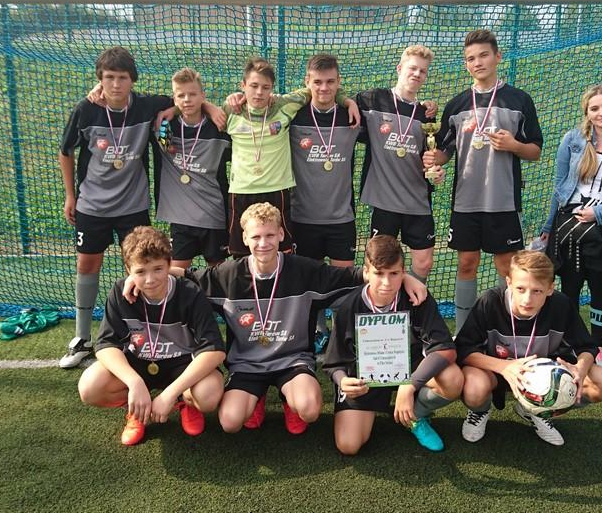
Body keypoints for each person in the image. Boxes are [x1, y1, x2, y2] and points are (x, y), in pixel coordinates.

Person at [122, 203, 427, 436]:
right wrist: (136, 279)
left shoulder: (304, 270)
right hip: (247, 365)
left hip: (292, 362)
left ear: (281, 235)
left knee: (309, 409)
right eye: (256, 236)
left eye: (270, 235)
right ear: (244, 238)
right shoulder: (227, 275)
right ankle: (254, 398)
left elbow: (356, 275)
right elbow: (186, 276)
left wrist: (406, 278)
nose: (263, 243)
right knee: (229, 422)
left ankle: (287, 399)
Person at [58, 47, 175, 369]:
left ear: (132, 80)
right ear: (100, 79)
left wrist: (172, 111)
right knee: (87, 264)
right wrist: (70, 195)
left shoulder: (146, 106)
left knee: (140, 269)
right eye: (109, 77)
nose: (115, 84)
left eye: (122, 77)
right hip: (92, 204)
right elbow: (65, 151)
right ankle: (82, 338)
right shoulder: (86, 109)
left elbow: (183, 99)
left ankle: (140, 336)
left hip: (133, 206)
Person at [425, 29, 543, 333]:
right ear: (466, 64)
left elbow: (535, 151)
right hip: (466, 201)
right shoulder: (456, 105)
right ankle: (463, 333)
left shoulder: (519, 100)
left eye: (483, 55)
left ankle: (509, 329)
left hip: (502, 201)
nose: (477, 62)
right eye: (470, 58)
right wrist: (434, 158)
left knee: (507, 267)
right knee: (466, 264)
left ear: (497, 57)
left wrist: (513, 145)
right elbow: (444, 150)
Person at [77, 226, 226, 445]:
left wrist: (170, 393)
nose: (150, 279)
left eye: (158, 269)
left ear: (169, 264)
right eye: (140, 272)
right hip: (139, 363)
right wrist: (134, 382)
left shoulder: (189, 292)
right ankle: (138, 409)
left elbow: (214, 350)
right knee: (90, 387)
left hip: (182, 365)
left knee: (209, 394)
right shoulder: (120, 292)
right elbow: (106, 344)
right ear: (128, 269)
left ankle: (184, 402)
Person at [456, 250, 602, 447]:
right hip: (495, 371)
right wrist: (505, 367)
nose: (527, 299)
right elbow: (463, 349)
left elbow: (587, 347)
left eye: (537, 291)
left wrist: (580, 369)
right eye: (521, 289)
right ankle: (480, 411)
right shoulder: (490, 302)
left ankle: (538, 410)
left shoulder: (560, 305)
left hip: (544, 377)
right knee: (474, 388)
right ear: (509, 283)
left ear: (550, 288)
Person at [322, 235, 463, 454]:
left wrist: (409, 385)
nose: (387, 283)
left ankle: (416, 416)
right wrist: (343, 381)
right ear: (366, 272)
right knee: (348, 445)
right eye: (379, 273)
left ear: (403, 272)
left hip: (410, 368)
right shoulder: (350, 306)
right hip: (365, 376)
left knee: (453, 379)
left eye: (394, 274)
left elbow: (445, 349)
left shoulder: (417, 298)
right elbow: (334, 362)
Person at [539, 84, 602, 347]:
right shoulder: (572, 139)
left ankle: (595, 348)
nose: (601, 113)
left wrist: (599, 213)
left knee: (601, 288)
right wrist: (549, 226)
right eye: (594, 108)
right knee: (570, 288)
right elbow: (560, 186)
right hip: (570, 227)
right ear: (587, 112)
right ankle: (570, 345)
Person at [223, 56, 359, 258]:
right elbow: (201, 112)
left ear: (272, 88)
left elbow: (320, 90)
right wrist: (220, 103)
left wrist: (346, 100)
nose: (259, 92)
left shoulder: (285, 105)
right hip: (240, 192)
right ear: (243, 85)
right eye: (253, 86)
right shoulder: (229, 111)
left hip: (278, 190)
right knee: (241, 256)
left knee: (282, 255)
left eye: (265, 87)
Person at [288, 54, 361, 352]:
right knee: (310, 282)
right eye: (317, 82)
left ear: (338, 82)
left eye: (330, 82)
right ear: (307, 82)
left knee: (344, 282)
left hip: (341, 217)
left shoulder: (352, 116)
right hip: (303, 217)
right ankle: (318, 332)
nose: (324, 88)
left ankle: (341, 341)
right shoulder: (293, 116)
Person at [356, 45, 443, 284]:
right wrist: (347, 102)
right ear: (399, 68)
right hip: (384, 201)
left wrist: (435, 171)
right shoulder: (374, 100)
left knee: (424, 263)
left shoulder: (426, 115)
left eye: (422, 71)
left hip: (417, 199)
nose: (417, 74)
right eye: (412, 68)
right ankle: (380, 303)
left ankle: (410, 304)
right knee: (379, 263)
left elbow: (429, 156)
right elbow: (341, 102)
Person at [153, 67, 231, 269]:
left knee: (217, 272)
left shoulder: (219, 127)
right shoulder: (164, 126)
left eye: (193, 94)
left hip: (214, 215)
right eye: (181, 95)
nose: (187, 99)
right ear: (174, 98)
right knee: (175, 272)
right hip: (181, 219)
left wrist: (210, 108)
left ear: (203, 96)